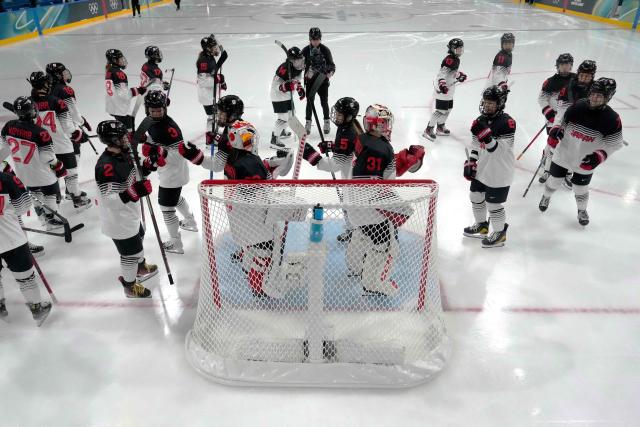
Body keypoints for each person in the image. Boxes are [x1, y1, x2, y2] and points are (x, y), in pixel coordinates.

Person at [178, 121, 299, 299]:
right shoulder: (251, 163)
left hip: (239, 219)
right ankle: (260, 290)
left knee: (252, 251)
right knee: (265, 254)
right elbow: (262, 188)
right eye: (248, 138)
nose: (252, 141)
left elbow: (242, 177)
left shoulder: (232, 157)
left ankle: (249, 267)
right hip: (256, 222)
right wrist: (273, 170)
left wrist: (195, 155)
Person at [302, 97, 424, 242]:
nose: (336, 116)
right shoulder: (353, 128)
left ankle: (360, 233)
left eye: (340, 114)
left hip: (355, 184)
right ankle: (360, 231)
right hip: (361, 184)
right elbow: (350, 148)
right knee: (352, 206)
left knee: (351, 205)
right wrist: (333, 146)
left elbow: (337, 163)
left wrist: (312, 157)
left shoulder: (350, 133)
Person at [342, 104, 411, 297]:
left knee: (362, 233)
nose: (386, 127)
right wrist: (402, 164)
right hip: (370, 204)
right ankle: (372, 283)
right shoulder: (384, 148)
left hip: (352, 202)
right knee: (385, 244)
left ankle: (354, 268)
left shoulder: (361, 139)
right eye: (383, 123)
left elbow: (369, 169)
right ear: (375, 125)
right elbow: (386, 183)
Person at [538, 78, 623, 226]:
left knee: (580, 188)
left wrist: (599, 156)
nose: (594, 98)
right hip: (563, 154)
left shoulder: (612, 119)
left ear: (607, 98)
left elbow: (614, 144)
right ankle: (546, 196)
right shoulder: (578, 106)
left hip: (585, 160)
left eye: (600, 96)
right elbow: (562, 123)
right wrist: (555, 132)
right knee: (554, 181)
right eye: (593, 94)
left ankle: (581, 210)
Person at [94, 120, 157, 298]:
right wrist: (133, 192)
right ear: (113, 140)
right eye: (123, 136)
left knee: (140, 235)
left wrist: (148, 166)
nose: (127, 139)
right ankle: (129, 286)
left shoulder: (124, 154)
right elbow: (109, 200)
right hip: (117, 220)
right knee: (130, 254)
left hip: (129, 213)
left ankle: (140, 267)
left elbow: (134, 174)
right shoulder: (106, 166)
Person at [141, 90, 197, 254]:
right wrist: (146, 140)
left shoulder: (168, 127)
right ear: (148, 109)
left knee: (166, 207)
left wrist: (160, 152)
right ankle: (190, 221)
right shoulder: (152, 122)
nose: (157, 113)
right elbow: (156, 141)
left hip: (173, 174)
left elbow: (179, 155)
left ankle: (176, 243)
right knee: (175, 199)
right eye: (153, 110)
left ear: (165, 108)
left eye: (159, 110)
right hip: (170, 172)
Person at [0, 97, 66, 233]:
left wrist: (4, 165)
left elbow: (4, 149)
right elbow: (48, 157)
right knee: (51, 195)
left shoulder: (7, 127)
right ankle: (51, 219)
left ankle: (41, 217)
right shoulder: (40, 132)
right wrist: (59, 167)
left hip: (23, 173)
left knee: (35, 193)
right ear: (31, 112)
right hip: (42, 173)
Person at [28, 71, 92, 211]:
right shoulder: (56, 102)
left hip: (43, 148)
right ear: (44, 84)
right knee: (71, 172)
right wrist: (79, 135)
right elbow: (68, 127)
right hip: (61, 144)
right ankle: (76, 198)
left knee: (51, 174)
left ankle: (55, 197)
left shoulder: (29, 104)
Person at [462, 85, 515, 248]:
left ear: (499, 103)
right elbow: (476, 143)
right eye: (485, 102)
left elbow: (500, 150)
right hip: (483, 168)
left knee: (493, 205)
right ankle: (482, 225)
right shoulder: (480, 120)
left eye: (491, 103)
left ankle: (499, 234)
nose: (487, 106)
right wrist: (471, 161)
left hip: (500, 171)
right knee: (475, 196)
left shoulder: (508, 122)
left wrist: (486, 137)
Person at [0, 170, 52, 326]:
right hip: (12, 237)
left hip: (11, 237)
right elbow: (23, 207)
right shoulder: (5, 178)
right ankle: (37, 308)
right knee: (26, 278)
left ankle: (0, 307)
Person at [540, 59, 597, 186]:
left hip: (582, 128)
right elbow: (561, 111)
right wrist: (556, 127)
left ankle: (569, 173)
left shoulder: (596, 91)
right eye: (582, 74)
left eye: (587, 76)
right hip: (566, 124)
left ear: (592, 76)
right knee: (553, 146)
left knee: (577, 151)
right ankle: (548, 169)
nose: (583, 78)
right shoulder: (568, 89)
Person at [46, 62, 92, 198]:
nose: (65, 74)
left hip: (51, 133)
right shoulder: (66, 90)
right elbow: (73, 114)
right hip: (68, 131)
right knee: (73, 163)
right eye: (62, 72)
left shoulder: (47, 90)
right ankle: (72, 193)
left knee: (55, 163)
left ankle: (56, 195)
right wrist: (82, 122)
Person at [537, 53, 575, 179]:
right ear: (557, 66)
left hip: (571, 119)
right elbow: (542, 99)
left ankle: (566, 169)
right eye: (562, 64)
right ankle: (546, 160)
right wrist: (549, 113)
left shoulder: (576, 80)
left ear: (571, 66)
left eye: (568, 64)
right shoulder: (550, 82)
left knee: (568, 143)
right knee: (552, 141)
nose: (565, 67)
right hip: (553, 118)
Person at [422, 38, 467, 141]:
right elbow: (441, 74)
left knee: (449, 108)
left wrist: (459, 75)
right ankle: (428, 129)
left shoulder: (456, 59)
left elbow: (452, 73)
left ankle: (440, 126)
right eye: (457, 49)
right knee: (441, 110)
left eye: (461, 49)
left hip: (449, 89)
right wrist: (442, 85)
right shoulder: (449, 60)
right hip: (442, 90)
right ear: (451, 49)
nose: (460, 51)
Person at [269, 46, 305, 149]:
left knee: (292, 114)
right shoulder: (284, 68)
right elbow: (276, 86)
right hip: (278, 96)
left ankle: (282, 131)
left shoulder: (298, 68)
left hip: (288, 95)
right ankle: (274, 139)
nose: (300, 63)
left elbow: (296, 80)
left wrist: (299, 88)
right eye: (297, 60)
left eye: (300, 59)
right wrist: (284, 86)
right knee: (285, 118)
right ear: (291, 60)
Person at [302, 27, 336, 135]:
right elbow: (299, 64)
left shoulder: (325, 50)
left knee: (324, 102)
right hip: (310, 82)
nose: (315, 42)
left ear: (320, 39)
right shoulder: (306, 50)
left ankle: (326, 122)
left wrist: (329, 73)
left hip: (322, 82)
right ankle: (308, 123)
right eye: (313, 39)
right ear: (310, 39)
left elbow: (332, 65)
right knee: (309, 103)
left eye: (317, 39)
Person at [104, 48, 146, 135]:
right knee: (129, 135)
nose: (122, 60)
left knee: (122, 131)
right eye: (120, 58)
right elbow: (123, 95)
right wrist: (138, 90)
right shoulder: (118, 73)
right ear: (114, 60)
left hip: (113, 107)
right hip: (122, 110)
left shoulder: (109, 71)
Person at [196, 34, 227, 139]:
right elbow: (203, 82)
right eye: (213, 47)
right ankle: (210, 139)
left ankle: (213, 135)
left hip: (209, 94)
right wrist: (218, 79)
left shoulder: (209, 57)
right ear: (208, 48)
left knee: (214, 115)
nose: (216, 48)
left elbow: (213, 72)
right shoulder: (203, 61)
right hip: (207, 95)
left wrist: (221, 81)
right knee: (212, 117)